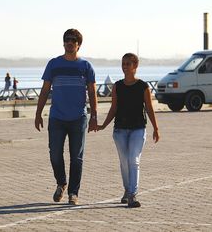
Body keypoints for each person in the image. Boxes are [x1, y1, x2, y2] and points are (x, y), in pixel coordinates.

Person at [34, 28, 98, 205]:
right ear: (63, 43)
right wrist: (38, 113)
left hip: (78, 118)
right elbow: (45, 90)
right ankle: (61, 183)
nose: (69, 42)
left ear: (78, 45)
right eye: (67, 40)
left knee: (76, 158)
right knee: (55, 154)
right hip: (57, 118)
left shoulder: (86, 67)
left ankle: (73, 193)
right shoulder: (54, 64)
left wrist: (94, 116)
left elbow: (92, 93)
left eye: (73, 40)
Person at [98, 53, 160, 208]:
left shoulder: (143, 87)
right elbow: (113, 108)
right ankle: (127, 190)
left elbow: (150, 109)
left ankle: (132, 194)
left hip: (138, 130)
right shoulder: (117, 86)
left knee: (133, 160)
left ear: (135, 66)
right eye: (123, 64)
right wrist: (103, 125)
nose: (125, 67)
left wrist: (156, 128)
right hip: (120, 130)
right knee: (124, 162)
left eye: (128, 64)